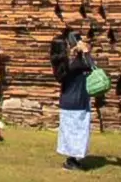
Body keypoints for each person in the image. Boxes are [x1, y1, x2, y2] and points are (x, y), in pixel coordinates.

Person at [50, 30, 93, 171]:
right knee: (77, 132)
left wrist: (80, 49)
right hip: (77, 101)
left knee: (73, 132)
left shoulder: (62, 64)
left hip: (69, 101)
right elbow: (91, 66)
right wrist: (84, 51)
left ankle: (72, 159)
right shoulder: (75, 63)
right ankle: (71, 161)